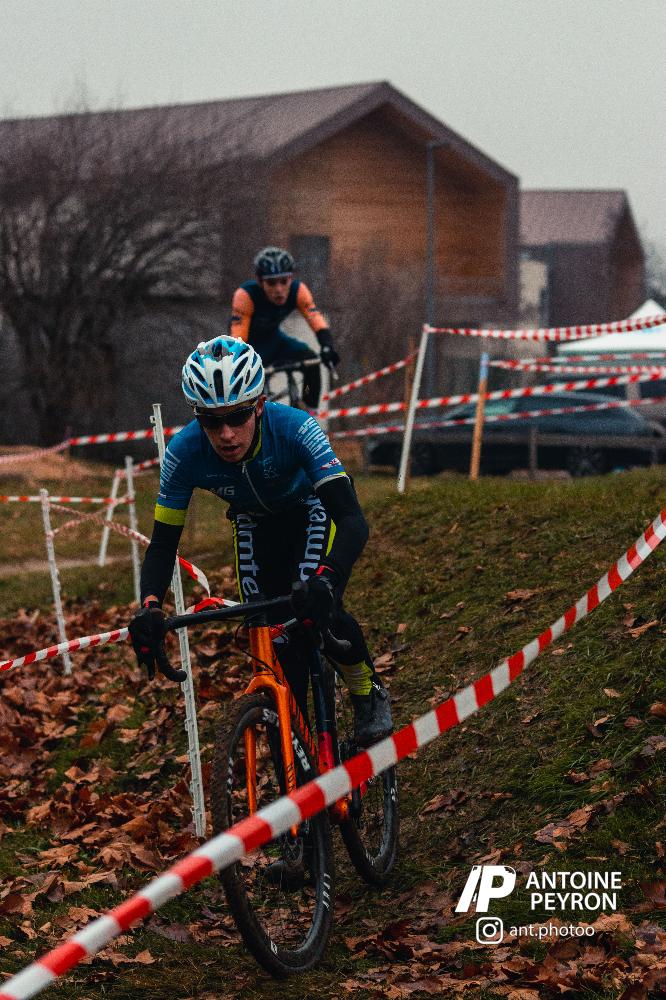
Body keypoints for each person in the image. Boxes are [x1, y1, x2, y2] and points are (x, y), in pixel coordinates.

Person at [128, 335, 392, 747]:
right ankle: (299, 757)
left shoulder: (295, 428)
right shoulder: (183, 454)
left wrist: (329, 577)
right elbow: (162, 545)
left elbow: (352, 520)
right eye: (211, 421)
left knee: (316, 609)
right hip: (253, 521)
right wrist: (149, 606)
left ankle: (366, 690)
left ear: (260, 405)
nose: (226, 434)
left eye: (237, 416)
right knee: (272, 637)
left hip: (310, 508)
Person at [228, 246, 339, 409]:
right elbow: (238, 337)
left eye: (284, 281)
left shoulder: (298, 290)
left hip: (276, 341)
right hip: (251, 347)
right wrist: (239, 361)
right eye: (271, 282)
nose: (279, 289)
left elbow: (315, 318)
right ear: (260, 282)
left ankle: (308, 411)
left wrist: (327, 345)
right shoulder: (245, 295)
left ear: (291, 278)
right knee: (251, 393)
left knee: (311, 362)